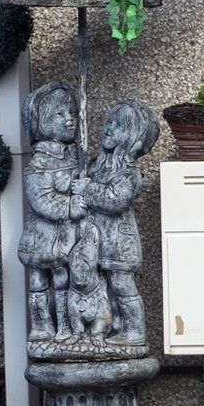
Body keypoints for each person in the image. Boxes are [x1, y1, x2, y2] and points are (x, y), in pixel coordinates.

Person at [71, 99, 159, 346]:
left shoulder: (127, 172)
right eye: (109, 122)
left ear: (132, 139)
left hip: (121, 244)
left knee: (121, 285)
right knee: (106, 287)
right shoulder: (100, 166)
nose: (109, 128)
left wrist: (88, 188)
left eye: (119, 126)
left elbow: (116, 200)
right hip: (101, 243)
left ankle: (135, 330)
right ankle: (115, 326)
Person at [18, 81, 82, 342]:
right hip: (41, 237)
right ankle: (42, 326)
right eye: (60, 114)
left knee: (63, 280)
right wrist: (69, 206)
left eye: (72, 112)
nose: (70, 120)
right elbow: (41, 200)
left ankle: (65, 326)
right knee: (37, 280)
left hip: (64, 238)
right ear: (42, 122)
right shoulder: (39, 164)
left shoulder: (76, 158)